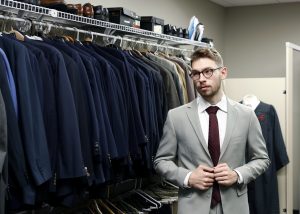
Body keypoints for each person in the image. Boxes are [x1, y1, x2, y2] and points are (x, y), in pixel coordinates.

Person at [153, 47, 270, 214]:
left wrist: (237, 174)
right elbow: (161, 161)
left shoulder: (246, 115)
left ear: (223, 73)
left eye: (208, 71)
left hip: (234, 206)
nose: (201, 79)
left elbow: (262, 159)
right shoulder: (176, 116)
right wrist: (188, 177)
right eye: (196, 73)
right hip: (193, 206)